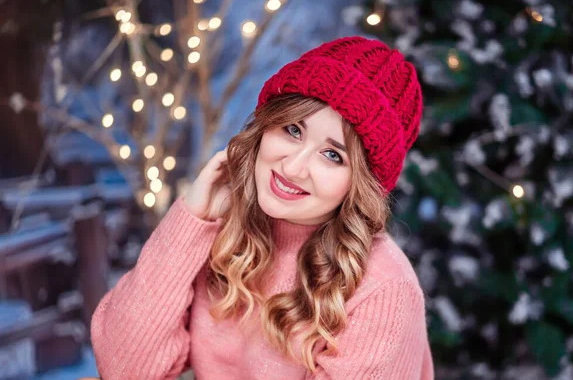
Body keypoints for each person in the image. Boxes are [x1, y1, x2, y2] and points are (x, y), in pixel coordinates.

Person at [90, 36, 434, 380]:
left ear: (360, 183)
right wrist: (190, 221)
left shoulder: (385, 290)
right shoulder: (223, 228)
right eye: (293, 130)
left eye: (333, 155)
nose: (294, 167)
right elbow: (123, 370)